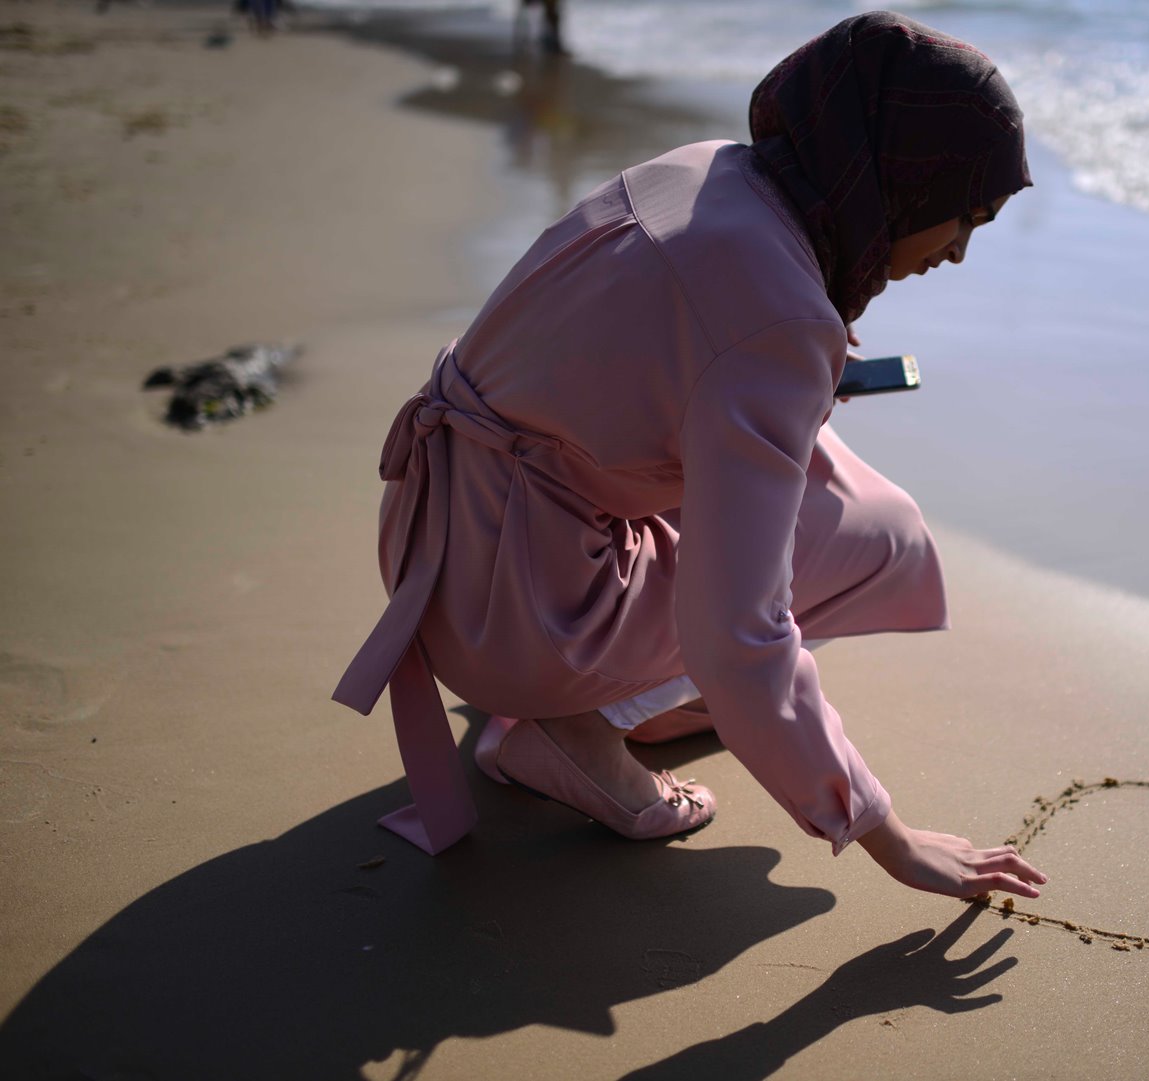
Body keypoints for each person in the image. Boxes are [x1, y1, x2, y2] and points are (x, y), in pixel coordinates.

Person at [333, 12, 1048, 902]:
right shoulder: (779, 318)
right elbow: (738, 632)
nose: (957, 251)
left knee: (822, 482)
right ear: (906, 175)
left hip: (431, 538)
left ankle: (625, 695)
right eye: (965, 213)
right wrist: (887, 834)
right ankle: (573, 724)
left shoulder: (711, 171)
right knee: (877, 537)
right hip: (512, 615)